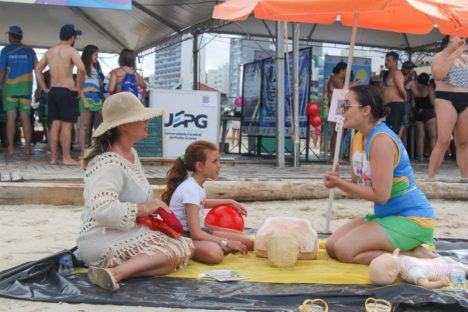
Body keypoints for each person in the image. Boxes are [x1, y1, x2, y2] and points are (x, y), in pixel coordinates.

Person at [77, 92, 193, 291]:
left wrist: (150, 208)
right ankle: (116, 272)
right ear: (124, 124)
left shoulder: (131, 154)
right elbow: (103, 211)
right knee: (175, 248)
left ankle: (117, 269)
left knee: (183, 246)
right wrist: (145, 208)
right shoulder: (108, 162)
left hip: (123, 231)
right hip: (101, 237)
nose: (146, 121)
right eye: (140, 118)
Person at [323, 85, 435, 265]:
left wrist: (339, 184)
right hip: (387, 215)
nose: (341, 111)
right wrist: (338, 181)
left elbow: (381, 196)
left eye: (346, 106)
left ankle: (413, 256)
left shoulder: (381, 140)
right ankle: (406, 251)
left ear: (366, 110)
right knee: (331, 246)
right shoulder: (358, 138)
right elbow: (359, 185)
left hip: (412, 219)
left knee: (344, 251)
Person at [162, 140, 254, 264]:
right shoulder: (190, 189)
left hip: (200, 231)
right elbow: (195, 234)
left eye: (219, 161)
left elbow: (201, 203)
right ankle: (214, 246)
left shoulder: (197, 184)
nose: (219, 165)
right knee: (215, 254)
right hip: (184, 236)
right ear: (199, 166)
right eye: (214, 161)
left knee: (248, 242)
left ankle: (218, 243)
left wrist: (229, 201)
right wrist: (226, 242)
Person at [35, 24, 85, 165]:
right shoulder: (71, 51)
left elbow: (38, 69)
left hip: (53, 91)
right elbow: (81, 69)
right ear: (72, 37)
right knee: (67, 125)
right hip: (67, 91)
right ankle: (66, 157)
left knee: (55, 125)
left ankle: (53, 158)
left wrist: (44, 87)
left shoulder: (50, 51)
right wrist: (78, 87)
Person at [429, 35, 468, 178]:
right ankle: (431, 177)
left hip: (465, 97)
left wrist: (460, 54)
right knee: (444, 141)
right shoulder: (440, 56)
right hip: (446, 97)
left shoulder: (465, 56)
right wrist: (454, 55)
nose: (464, 40)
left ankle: (465, 178)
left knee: (464, 143)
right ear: (451, 37)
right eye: (461, 37)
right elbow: (438, 75)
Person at [0, 25, 38, 157]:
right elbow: (38, 71)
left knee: (11, 118)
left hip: (10, 88)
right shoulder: (30, 51)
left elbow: (1, 72)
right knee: (25, 117)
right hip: (26, 88)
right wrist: (39, 87)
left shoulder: (5, 51)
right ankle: (27, 148)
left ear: (11, 37)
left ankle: (10, 148)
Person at [369, 248, 468, 289]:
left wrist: (440, 283)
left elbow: (426, 284)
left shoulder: (412, 272)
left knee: (458, 290)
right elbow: (395, 253)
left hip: (451, 270)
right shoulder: (399, 259)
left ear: (392, 273)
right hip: (440, 260)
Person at [325, 61, 359, 162]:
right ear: (342, 70)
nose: (346, 73)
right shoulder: (336, 78)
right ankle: (333, 156)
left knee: (340, 131)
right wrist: (355, 83)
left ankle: (334, 156)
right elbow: (343, 90)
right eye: (346, 71)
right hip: (336, 106)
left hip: (338, 105)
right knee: (337, 131)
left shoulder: (337, 78)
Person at [78, 45, 105, 156]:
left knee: (107, 119)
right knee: (84, 126)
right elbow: (78, 87)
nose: (97, 58)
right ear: (89, 55)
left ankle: (99, 147)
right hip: (86, 97)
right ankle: (82, 151)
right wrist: (84, 101)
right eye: (95, 55)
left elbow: (101, 84)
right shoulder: (82, 68)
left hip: (97, 97)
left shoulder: (96, 68)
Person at [381, 51, 407, 134]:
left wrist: (404, 99)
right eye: (385, 60)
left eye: (388, 60)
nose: (386, 62)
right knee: (387, 130)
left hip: (396, 106)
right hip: (389, 106)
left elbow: (402, 90)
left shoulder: (397, 73)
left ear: (395, 61)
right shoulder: (389, 73)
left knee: (393, 132)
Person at [413, 73, 437, 162]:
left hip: (418, 113)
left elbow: (413, 104)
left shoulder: (415, 88)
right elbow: (432, 102)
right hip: (428, 112)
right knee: (433, 136)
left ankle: (420, 157)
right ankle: (434, 157)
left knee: (420, 136)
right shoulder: (429, 88)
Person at [400, 60, 419, 147]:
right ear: (409, 70)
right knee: (403, 131)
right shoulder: (410, 82)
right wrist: (414, 80)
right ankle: (402, 151)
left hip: (395, 105)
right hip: (405, 106)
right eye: (412, 69)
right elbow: (417, 94)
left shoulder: (398, 78)